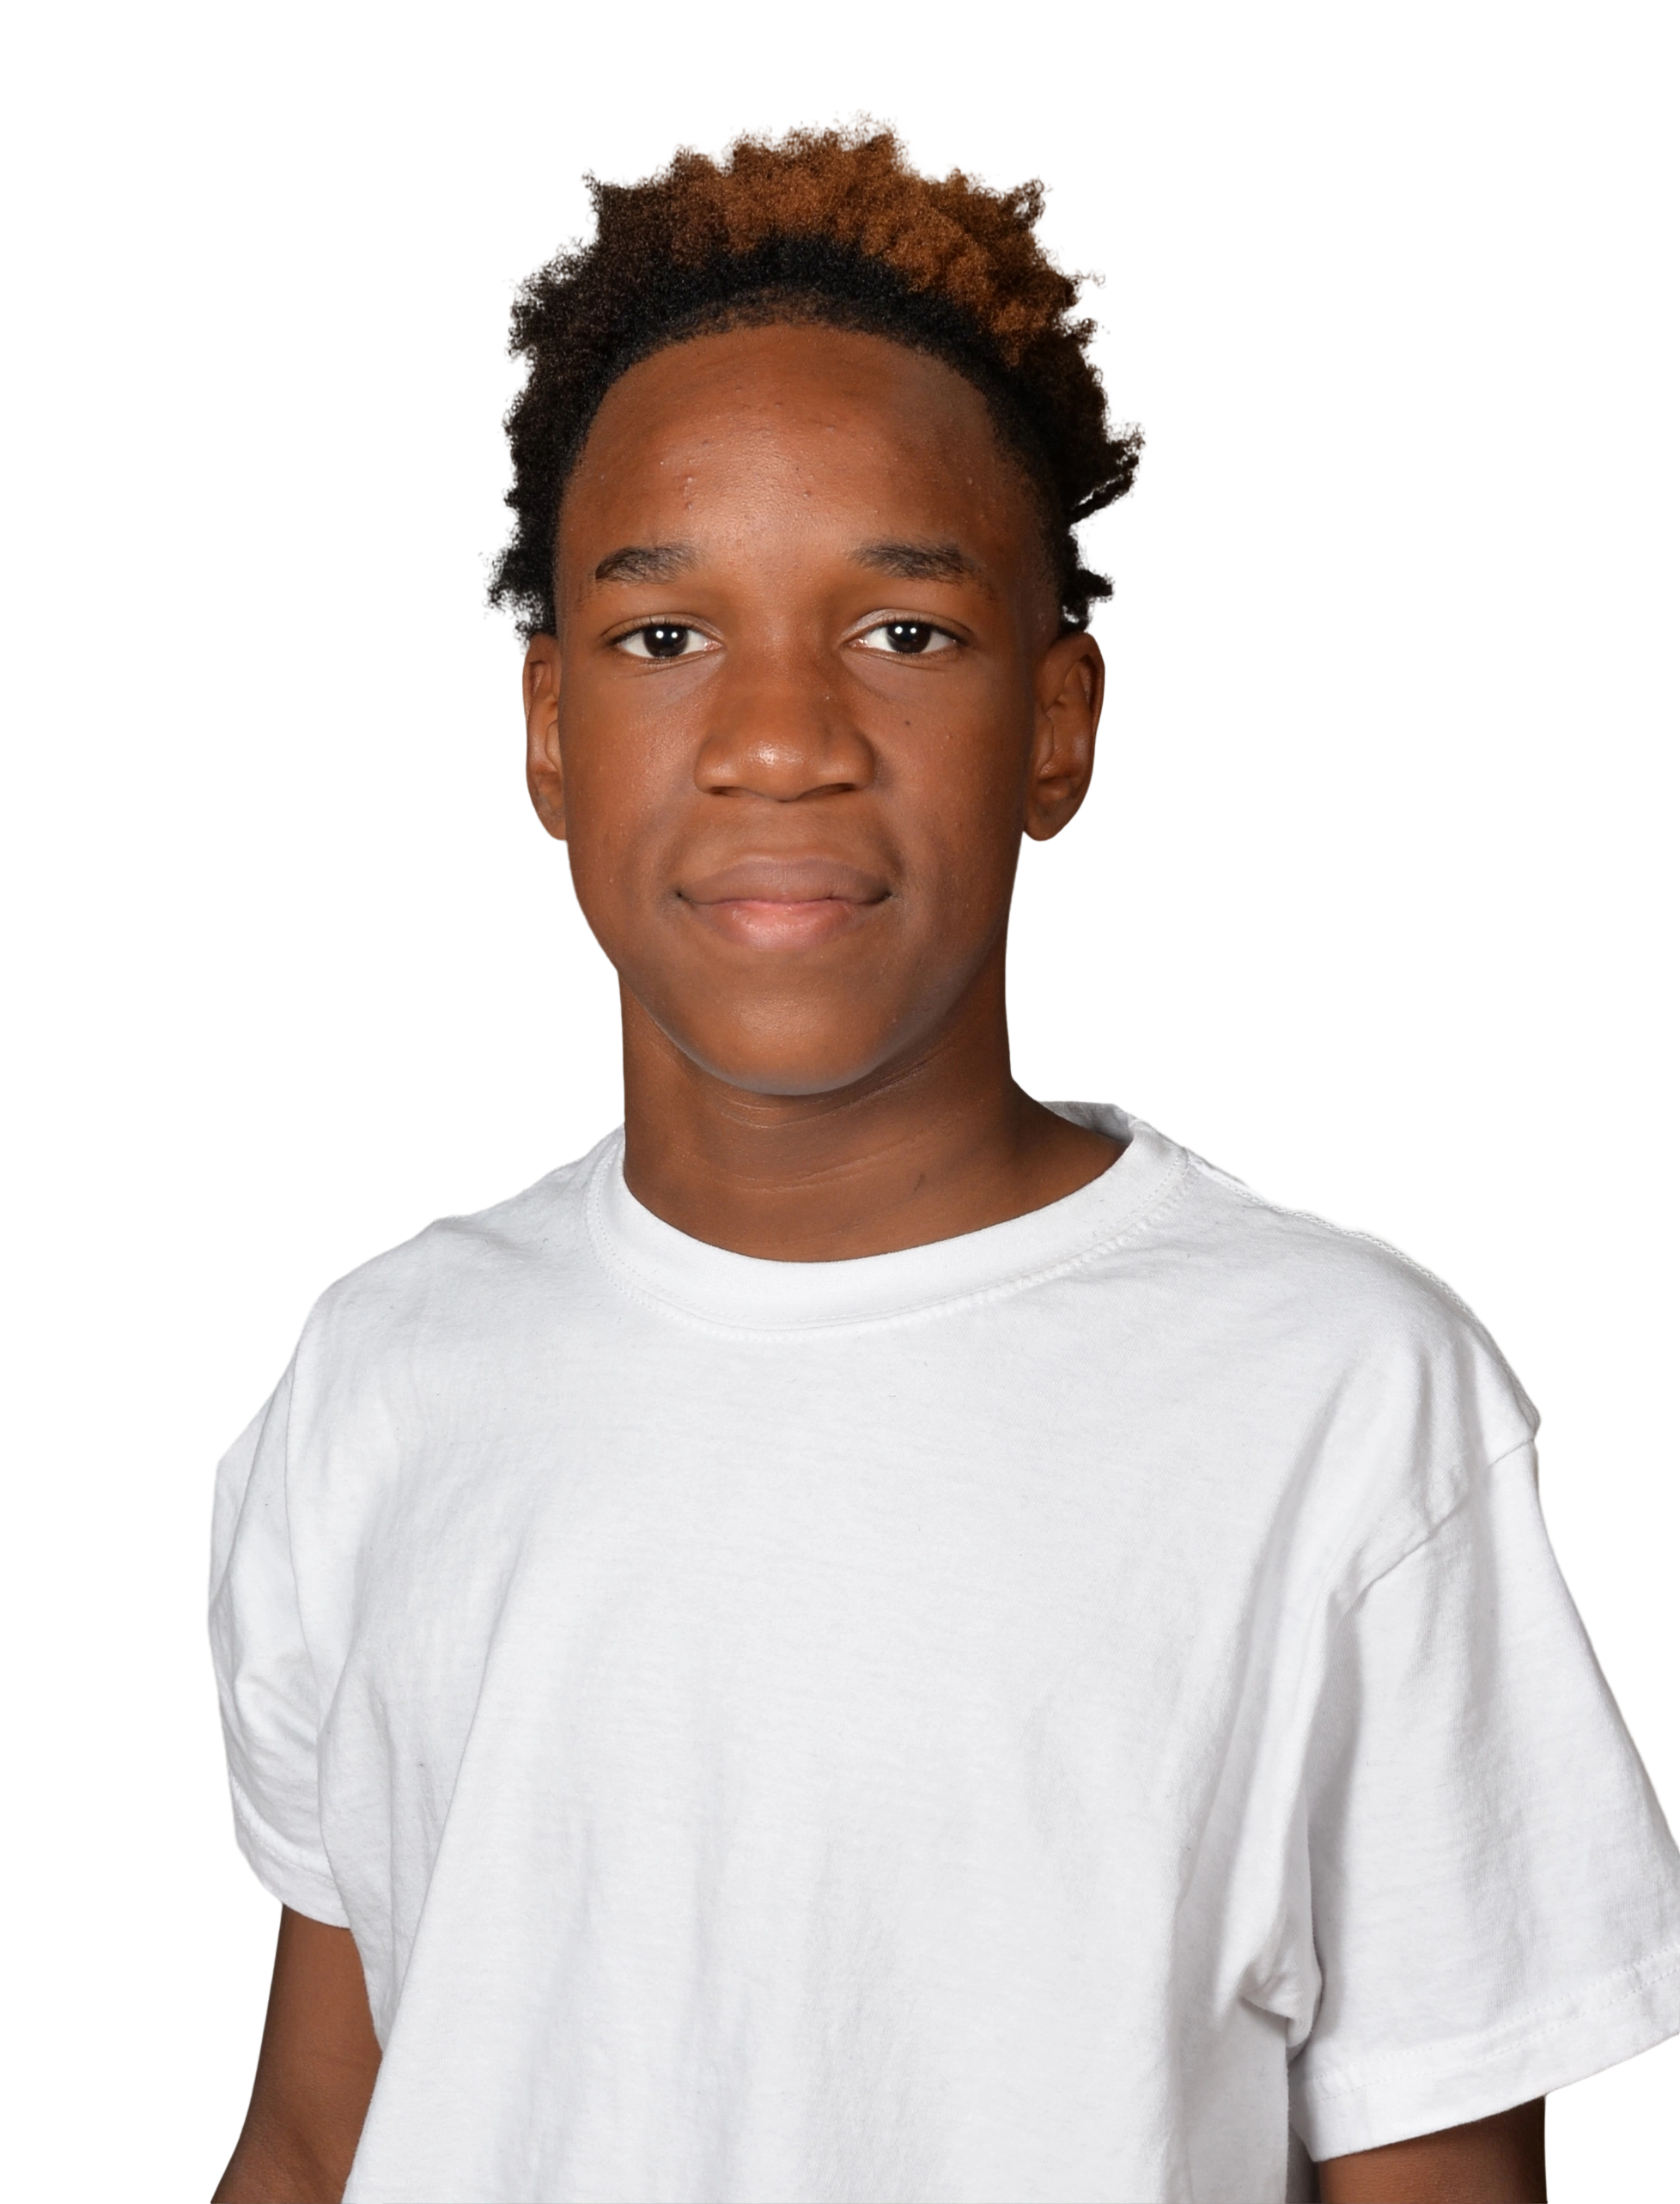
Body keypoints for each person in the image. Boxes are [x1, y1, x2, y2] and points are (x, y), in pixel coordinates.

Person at [204, 107, 1678, 2204]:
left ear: (1063, 724)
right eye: (663, 635)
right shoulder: (382, 1377)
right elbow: (318, 2126)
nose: (779, 738)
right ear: (548, 732)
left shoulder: (1341, 1402)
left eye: (902, 631)